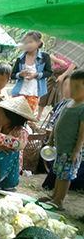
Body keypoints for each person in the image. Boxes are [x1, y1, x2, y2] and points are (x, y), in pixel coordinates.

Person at [39, 70, 84, 210]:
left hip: (71, 150)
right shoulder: (67, 103)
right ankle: (54, 196)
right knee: (59, 173)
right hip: (60, 148)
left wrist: (76, 151)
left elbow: (82, 132)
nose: (72, 90)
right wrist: (51, 139)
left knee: (65, 176)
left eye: (77, 87)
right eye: (72, 86)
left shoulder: (82, 108)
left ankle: (59, 200)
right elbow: (58, 123)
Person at [11, 30, 52, 113]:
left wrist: (36, 75)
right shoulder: (20, 58)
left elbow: (49, 72)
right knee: (14, 114)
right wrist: (20, 74)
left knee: (27, 116)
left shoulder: (45, 57)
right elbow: (12, 75)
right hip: (19, 91)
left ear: (38, 43)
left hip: (34, 92)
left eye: (30, 42)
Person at [37, 53, 76, 120]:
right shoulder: (61, 46)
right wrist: (59, 61)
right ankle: (39, 115)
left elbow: (74, 64)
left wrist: (64, 75)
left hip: (65, 74)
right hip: (54, 72)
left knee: (58, 96)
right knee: (44, 94)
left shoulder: (76, 51)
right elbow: (51, 55)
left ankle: (51, 117)